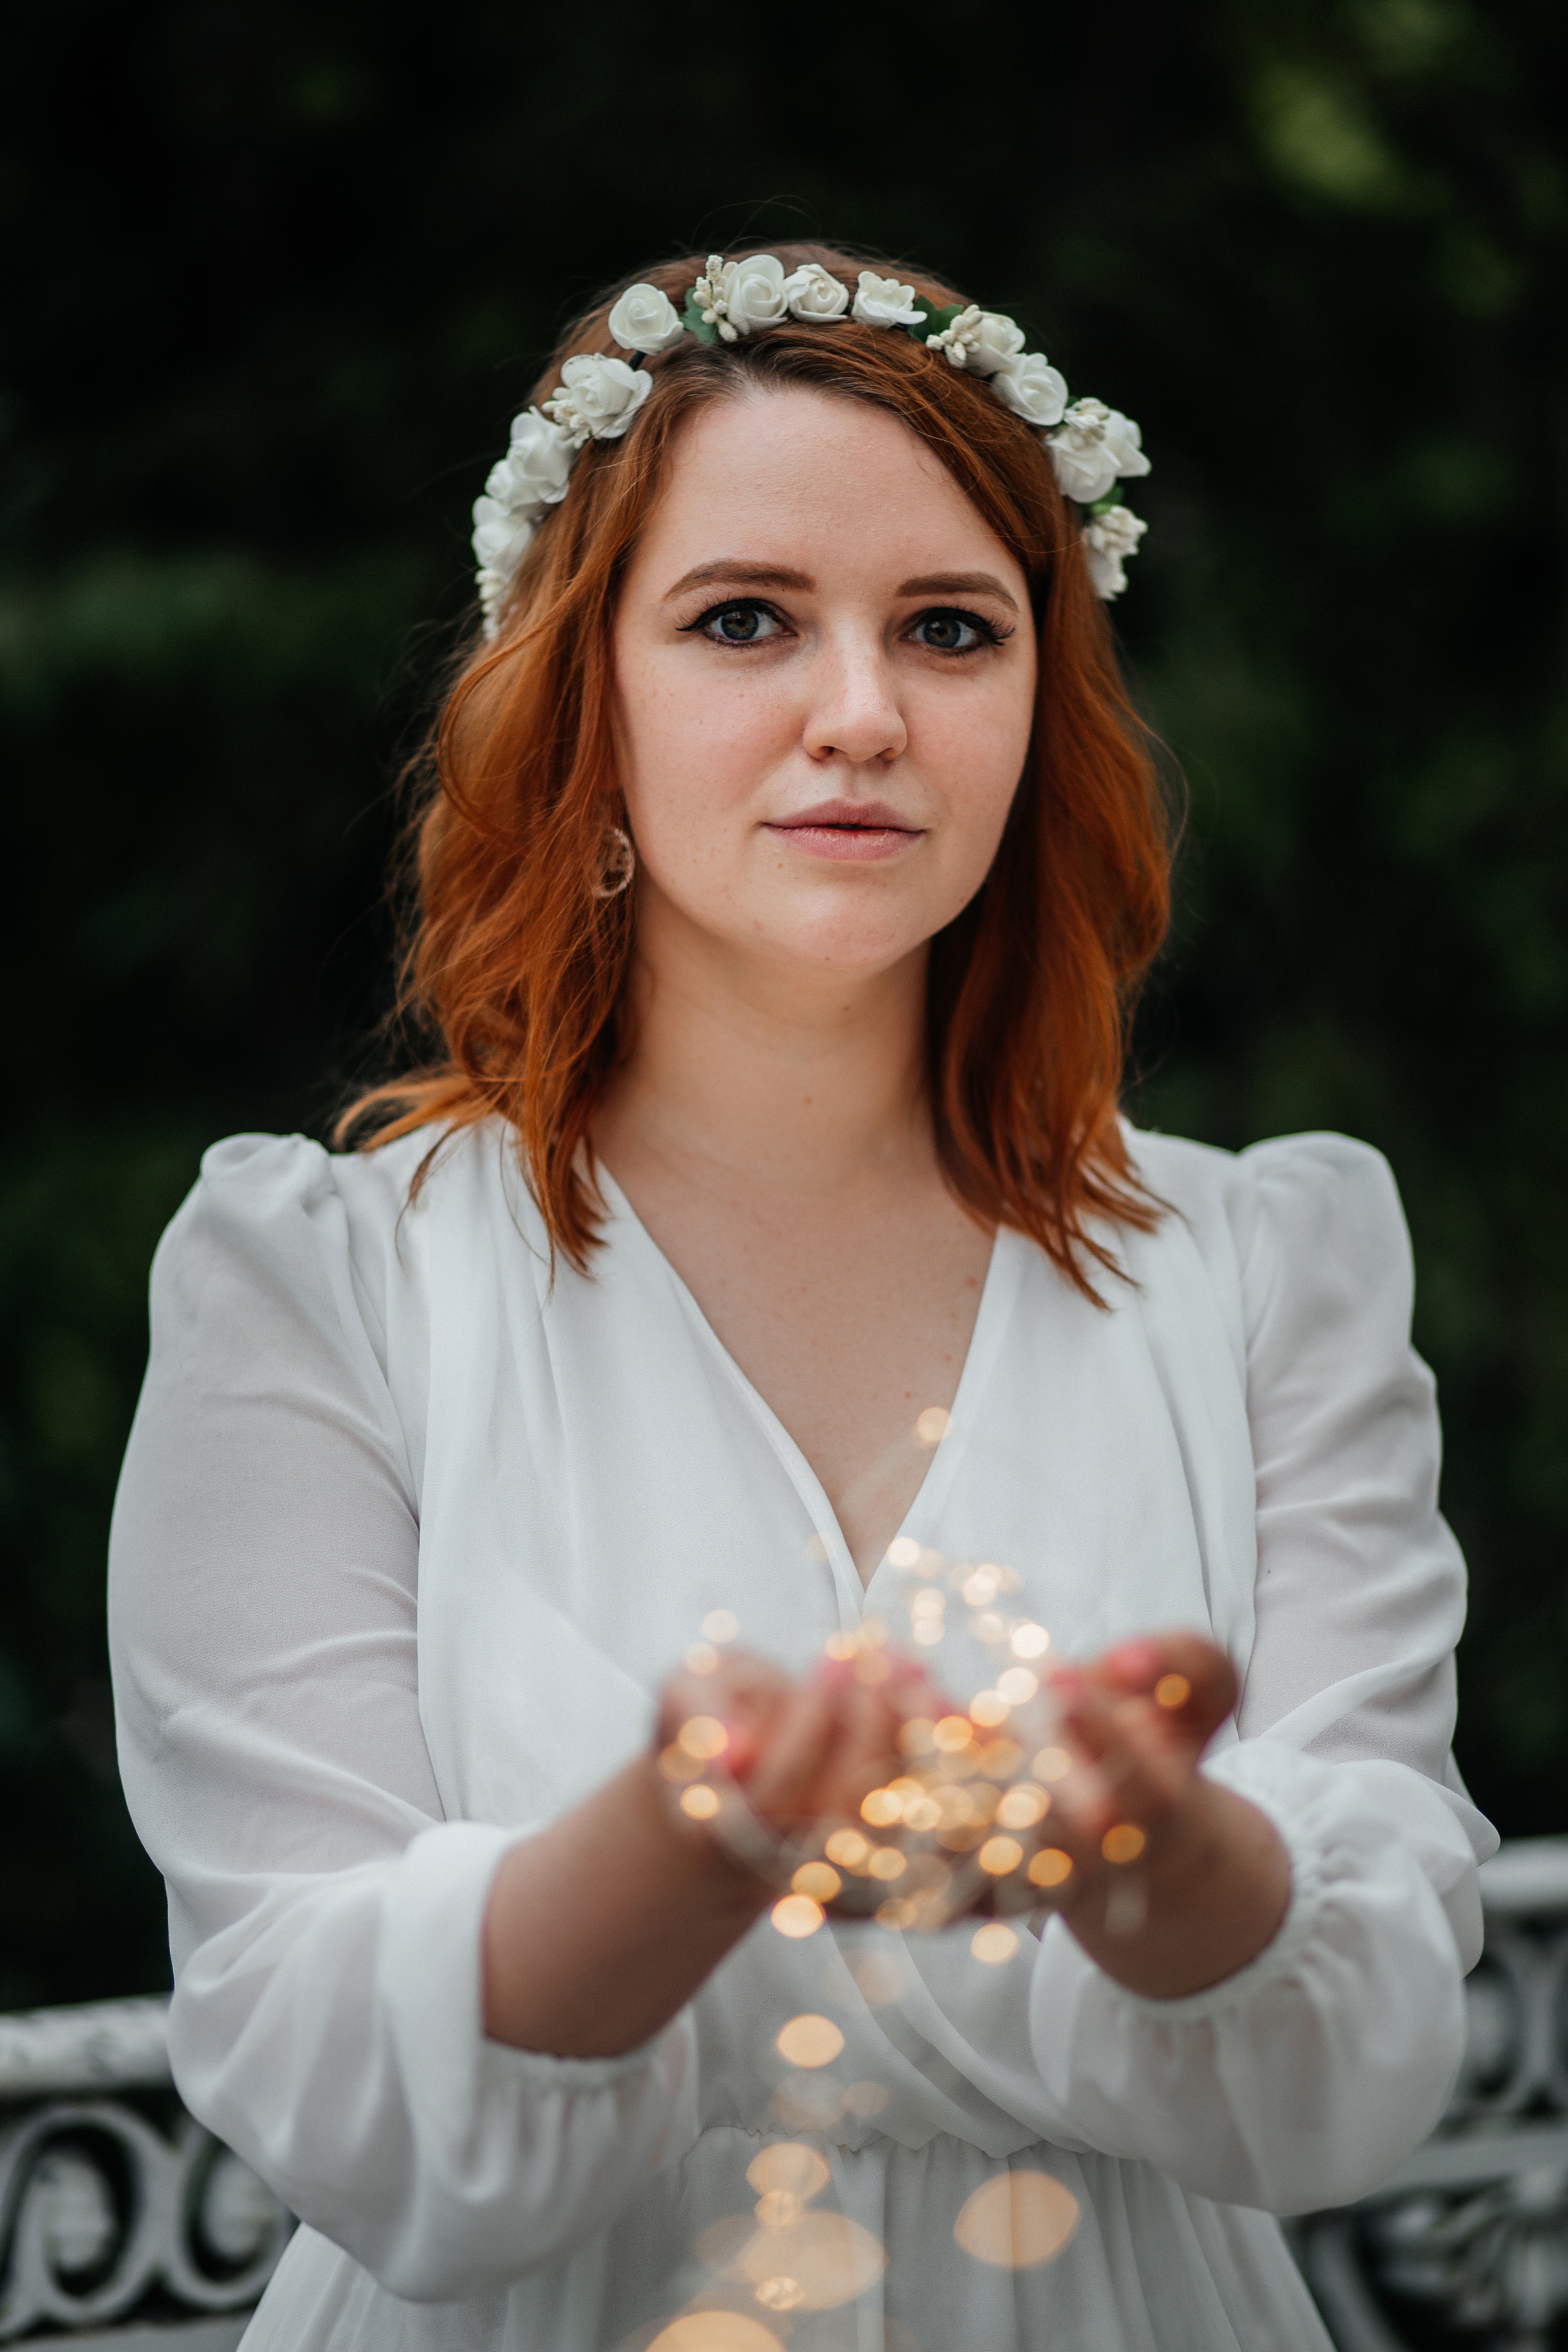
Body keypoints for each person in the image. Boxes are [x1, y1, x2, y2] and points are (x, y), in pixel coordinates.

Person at [108, 241, 1494, 2352]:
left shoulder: (1267, 1275)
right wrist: (698, 1841)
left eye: (951, 629)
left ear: (1043, 706)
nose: (863, 714)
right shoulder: (323, 1288)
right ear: (588, 689)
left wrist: (1157, 1859)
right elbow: (307, 2044)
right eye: (746, 619)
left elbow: (1367, 2046)